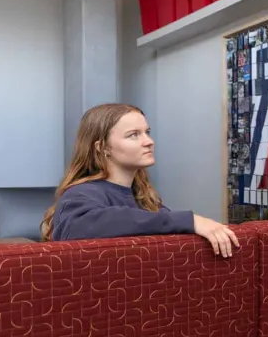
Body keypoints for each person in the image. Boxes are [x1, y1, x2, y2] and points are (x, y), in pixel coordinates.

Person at [41, 103, 239, 258]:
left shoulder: (144, 198)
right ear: (103, 148)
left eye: (147, 132)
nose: (148, 141)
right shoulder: (81, 194)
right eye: (133, 135)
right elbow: (80, 226)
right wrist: (190, 220)